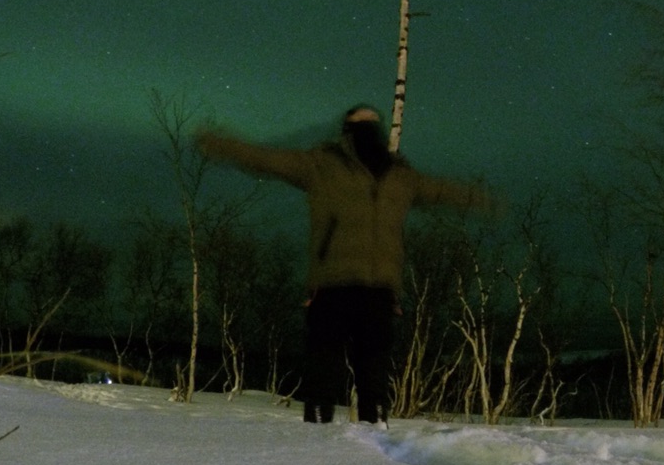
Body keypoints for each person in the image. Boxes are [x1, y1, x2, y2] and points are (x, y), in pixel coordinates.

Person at [198, 105, 492, 425]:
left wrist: (480, 198)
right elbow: (268, 159)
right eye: (359, 122)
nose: (367, 127)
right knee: (323, 368)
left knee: (374, 371)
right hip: (332, 284)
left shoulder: (399, 175)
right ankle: (317, 436)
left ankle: (375, 437)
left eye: (371, 122)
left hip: (380, 290)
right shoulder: (322, 164)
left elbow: (439, 190)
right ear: (346, 129)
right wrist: (220, 145)